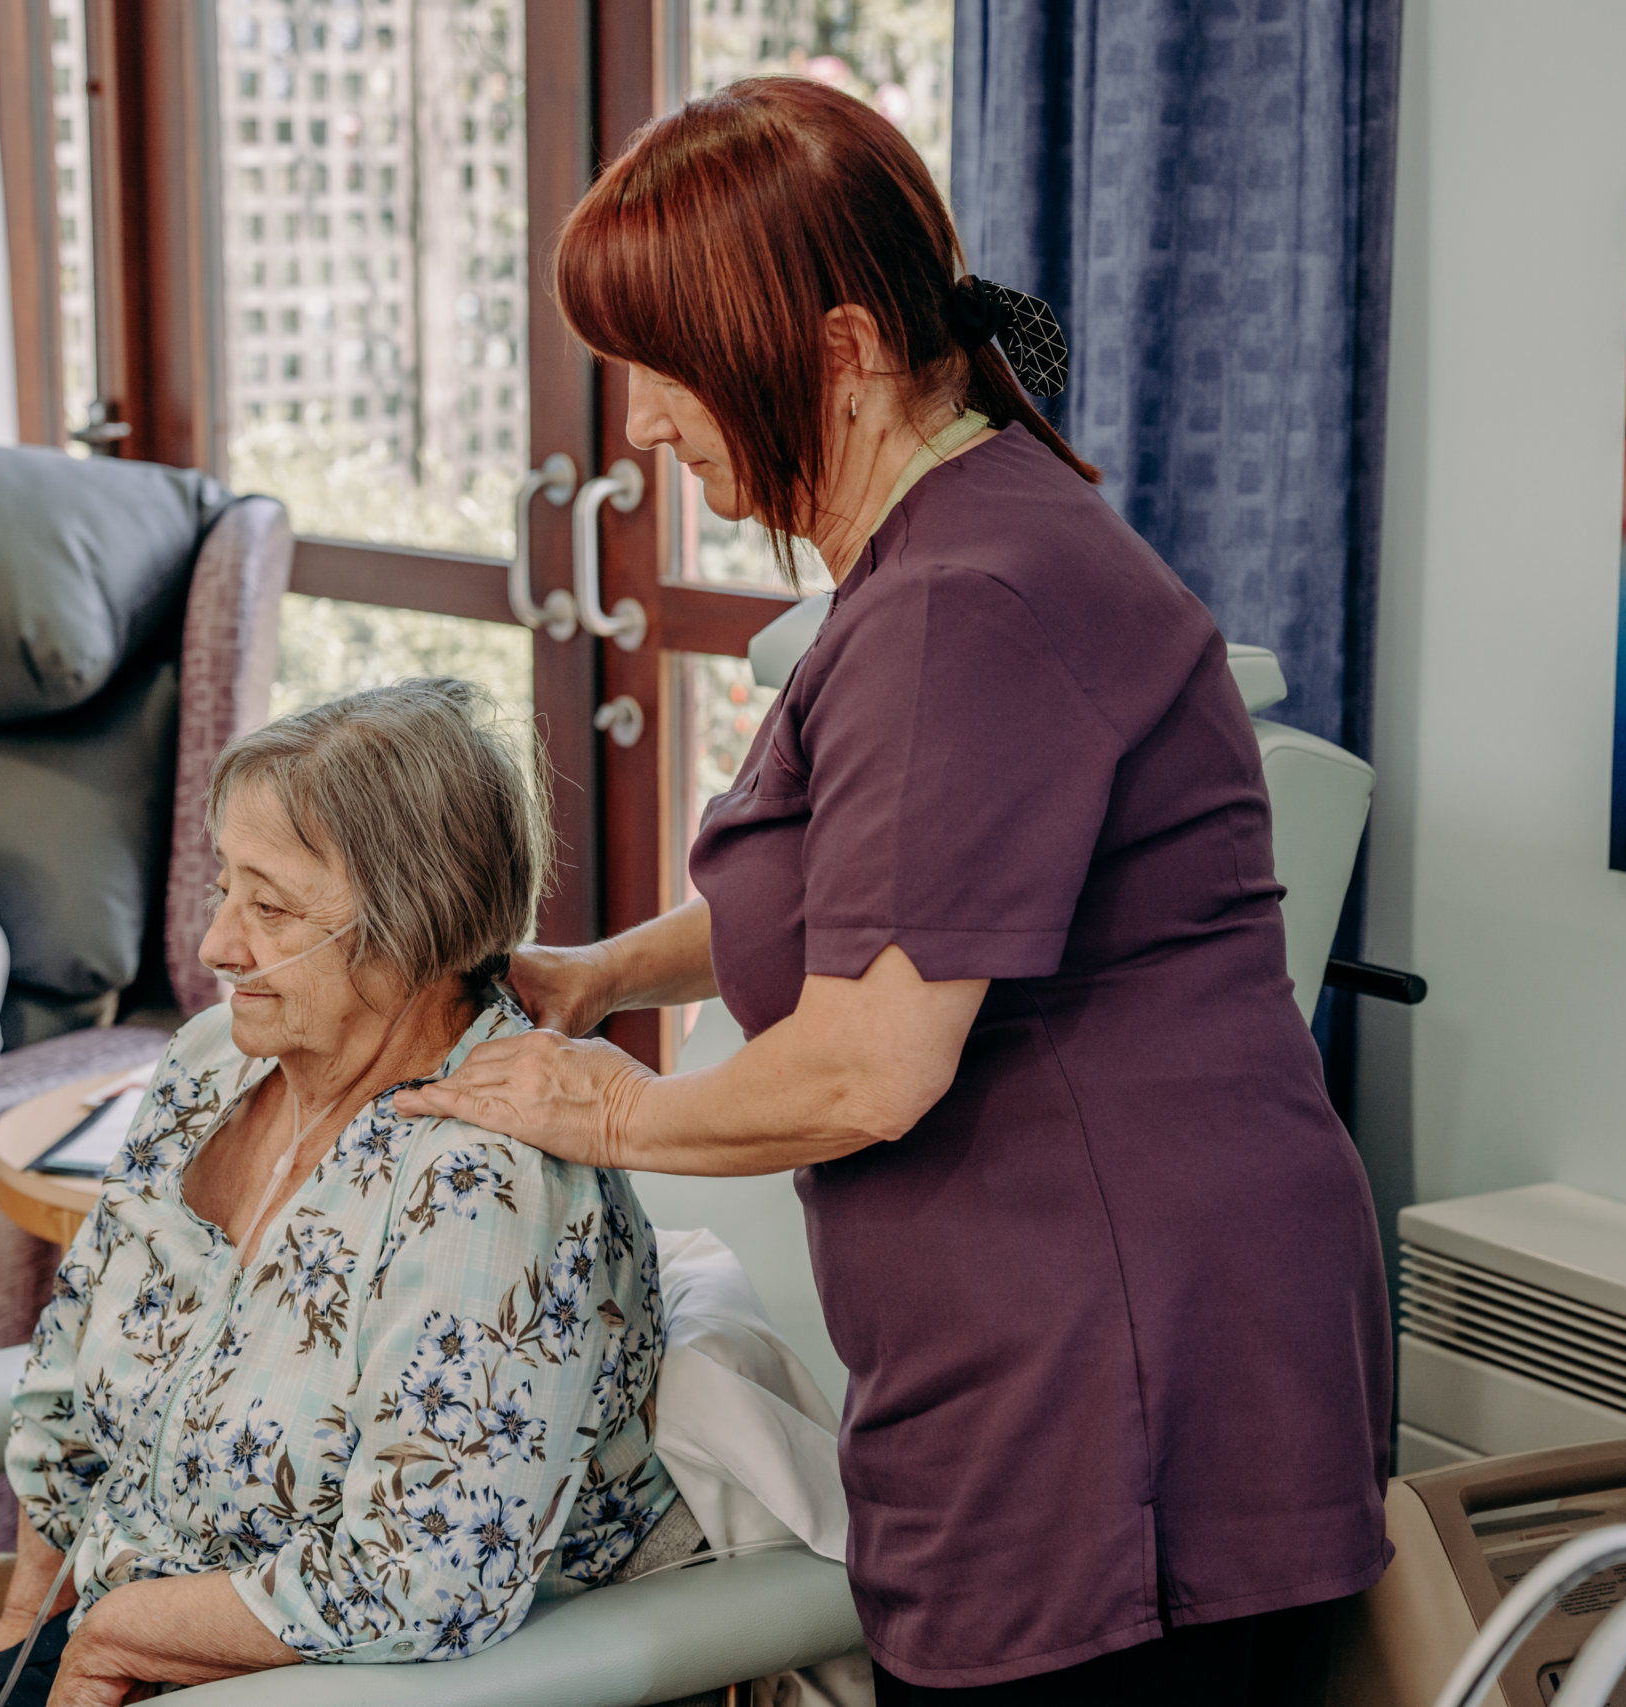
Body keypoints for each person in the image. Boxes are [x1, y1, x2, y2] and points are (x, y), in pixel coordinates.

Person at [393, 77, 1394, 1705]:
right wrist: (599, 976)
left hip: (1115, 1391)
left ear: (843, 351)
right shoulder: (965, 543)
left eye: (666, 369)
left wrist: (601, 1109)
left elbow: (874, 1059)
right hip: (1111, 1348)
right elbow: (880, 889)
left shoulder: (958, 603)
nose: (640, 425)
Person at [0, 681, 685, 1707]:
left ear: (413, 923)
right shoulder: (212, 1060)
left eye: (271, 908)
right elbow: (71, 1371)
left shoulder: (488, 1177)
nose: (217, 946)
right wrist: (24, 1624)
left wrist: (112, 1636)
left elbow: (423, 1579)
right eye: (223, 888)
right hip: (110, 1639)